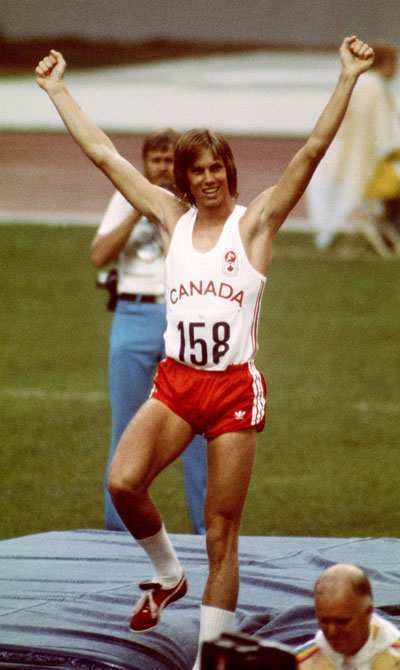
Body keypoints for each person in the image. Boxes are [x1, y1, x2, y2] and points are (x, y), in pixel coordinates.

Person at [35, 35, 374, 669]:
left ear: (229, 172)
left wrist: (348, 78)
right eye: (199, 170)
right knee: (123, 482)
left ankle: (209, 657)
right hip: (175, 384)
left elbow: (311, 151)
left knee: (221, 533)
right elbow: (106, 156)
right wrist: (57, 90)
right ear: (186, 178)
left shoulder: (257, 223)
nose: (210, 178)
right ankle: (167, 575)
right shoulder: (171, 219)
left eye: (218, 167)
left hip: (231, 393)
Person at [91, 128, 207, 534]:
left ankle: (205, 527)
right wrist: (136, 210)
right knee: (126, 423)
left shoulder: (191, 206)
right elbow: (99, 256)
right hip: (133, 312)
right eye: (154, 160)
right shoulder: (123, 199)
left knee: (195, 425)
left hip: (182, 317)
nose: (160, 167)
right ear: (143, 164)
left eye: (167, 160)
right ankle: (117, 528)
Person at [307, 42, 400, 256]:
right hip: (359, 154)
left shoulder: (357, 81)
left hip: (340, 149)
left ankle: (341, 236)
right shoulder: (374, 86)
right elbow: (385, 131)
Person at [296, 564, 400, 669]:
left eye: (342, 622)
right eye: (324, 621)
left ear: (368, 612)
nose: (332, 631)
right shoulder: (300, 664)